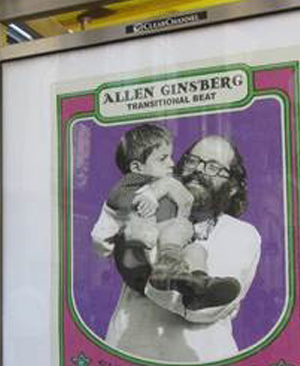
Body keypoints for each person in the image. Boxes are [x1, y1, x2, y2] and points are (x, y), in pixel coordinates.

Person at [90, 134, 261, 362]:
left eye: (212, 167)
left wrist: (144, 268)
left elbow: (202, 311)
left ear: (231, 188)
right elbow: (109, 243)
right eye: (192, 161)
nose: (198, 170)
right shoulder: (150, 208)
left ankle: (191, 278)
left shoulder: (241, 234)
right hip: (128, 358)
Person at [95, 123, 240, 307]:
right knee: (179, 226)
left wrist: (172, 191)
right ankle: (169, 268)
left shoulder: (241, 234)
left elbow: (185, 198)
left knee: (197, 251)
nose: (172, 163)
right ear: (137, 167)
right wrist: (154, 194)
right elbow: (119, 209)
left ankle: (199, 286)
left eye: (213, 167)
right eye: (163, 159)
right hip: (137, 258)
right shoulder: (130, 183)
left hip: (157, 258)